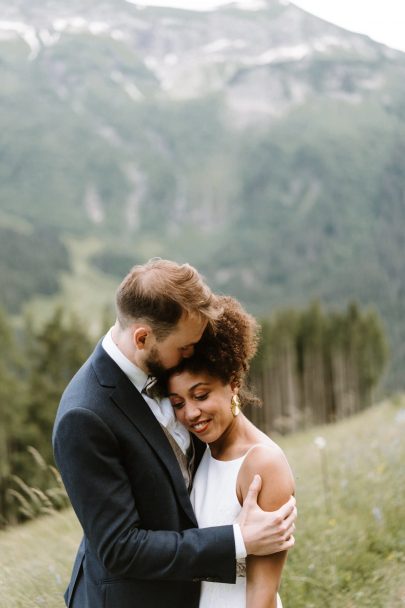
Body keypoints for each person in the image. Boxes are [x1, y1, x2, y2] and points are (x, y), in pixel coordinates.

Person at [52, 259, 296, 608]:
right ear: (142, 337)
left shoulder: (168, 371)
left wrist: (268, 476)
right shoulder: (85, 415)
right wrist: (239, 539)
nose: (192, 354)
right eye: (185, 348)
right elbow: (120, 548)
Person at [163, 295, 295, 608]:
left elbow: (261, 598)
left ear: (232, 383)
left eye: (201, 395)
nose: (191, 413)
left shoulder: (263, 463)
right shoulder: (200, 453)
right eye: (178, 403)